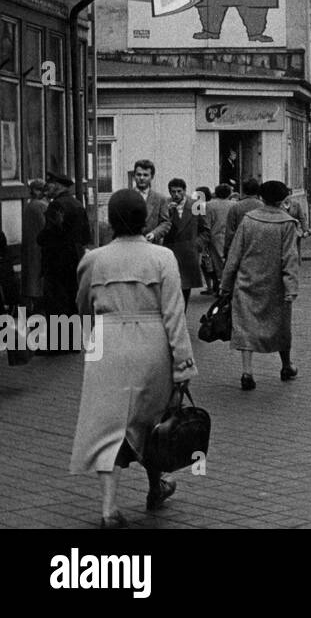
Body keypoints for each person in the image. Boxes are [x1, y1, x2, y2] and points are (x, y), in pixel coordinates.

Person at [70, 189, 196, 529]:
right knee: (153, 423)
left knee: (107, 426)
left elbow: (82, 305)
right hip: (152, 345)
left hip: (107, 345)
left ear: (110, 220)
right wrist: (183, 363)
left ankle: (109, 509)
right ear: (145, 218)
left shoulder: (94, 260)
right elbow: (174, 314)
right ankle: (157, 486)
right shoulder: (162, 258)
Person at [220, 179, 299, 390]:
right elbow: (289, 258)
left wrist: (226, 283)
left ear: (262, 198)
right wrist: (291, 287)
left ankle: (247, 372)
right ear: (283, 200)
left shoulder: (248, 220)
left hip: (247, 281)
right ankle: (286, 365)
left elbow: (234, 254)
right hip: (275, 285)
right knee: (281, 326)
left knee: (245, 326)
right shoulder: (287, 223)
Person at [38, 173, 91, 318]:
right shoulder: (78, 204)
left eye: (49, 184)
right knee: (74, 304)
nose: (46, 188)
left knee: (56, 307)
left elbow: (49, 234)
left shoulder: (56, 205)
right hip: (76, 261)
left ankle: (59, 339)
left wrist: (39, 238)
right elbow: (86, 236)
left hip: (56, 264)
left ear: (58, 186)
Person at [161, 178, 211, 308]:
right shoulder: (164, 204)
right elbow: (159, 226)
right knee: (170, 290)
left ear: (185, 190)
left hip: (188, 253)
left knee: (185, 290)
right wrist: (169, 214)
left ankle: (181, 319)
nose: (176, 195)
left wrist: (196, 245)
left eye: (179, 191)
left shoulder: (196, 205)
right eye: (173, 192)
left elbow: (205, 229)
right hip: (170, 251)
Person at [131, 160, 174, 244]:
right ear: (134, 176)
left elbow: (165, 222)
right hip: (130, 245)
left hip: (152, 246)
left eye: (145, 175)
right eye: (139, 174)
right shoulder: (126, 197)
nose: (142, 178)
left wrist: (154, 234)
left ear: (152, 177)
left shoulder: (160, 199)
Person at [20, 179, 47, 312]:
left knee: (31, 282)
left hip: (30, 250)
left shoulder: (29, 206)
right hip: (39, 250)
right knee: (38, 283)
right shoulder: (40, 206)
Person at [205, 183, 236, 270]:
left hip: (214, 237)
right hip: (231, 237)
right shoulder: (234, 205)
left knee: (215, 265)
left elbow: (207, 224)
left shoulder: (209, 205)